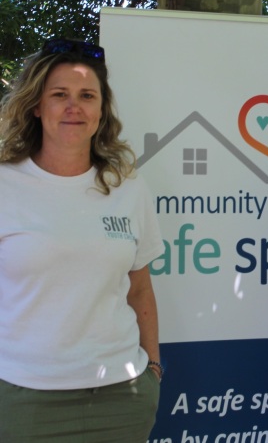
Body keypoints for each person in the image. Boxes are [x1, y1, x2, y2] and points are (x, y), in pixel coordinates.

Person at [0, 38, 165, 441]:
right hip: (24, 399)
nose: (74, 106)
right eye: (60, 95)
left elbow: (140, 289)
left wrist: (153, 370)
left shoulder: (128, 186)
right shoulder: (5, 183)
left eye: (87, 95)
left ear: (101, 111)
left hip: (121, 397)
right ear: (37, 106)